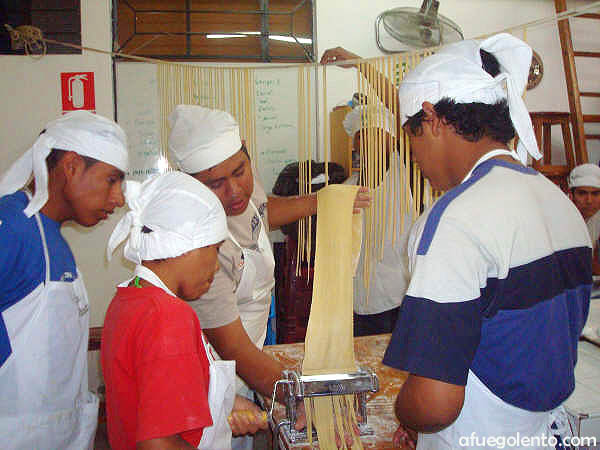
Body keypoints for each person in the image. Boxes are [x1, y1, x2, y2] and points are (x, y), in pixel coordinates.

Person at [328, 34, 591, 449]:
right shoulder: (560, 205)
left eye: (410, 139)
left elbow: (435, 405)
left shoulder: (455, 219)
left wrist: (405, 414)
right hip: (546, 432)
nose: (413, 157)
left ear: (431, 118)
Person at [168, 105, 369, 449]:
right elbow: (234, 350)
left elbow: (260, 211)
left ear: (245, 151)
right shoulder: (199, 255)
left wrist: (320, 201)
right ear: (190, 185)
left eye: (240, 171)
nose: (235, 191)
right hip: (215, 380)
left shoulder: (240, 190)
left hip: (252, 360)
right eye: (215, 184)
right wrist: (300, 396)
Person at [102, 171, 267, 450]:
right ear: (182, 246)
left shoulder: (127, 299)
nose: (216, 266)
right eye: (214, 249)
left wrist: (225, 407)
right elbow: (160, 444)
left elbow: (159, 393)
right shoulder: (168, 318)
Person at [0, 110, 129, 449]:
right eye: (111, 180)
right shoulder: (13, 227)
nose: (118, 199)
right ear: (71, 166)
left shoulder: (51, 238)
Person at [342, 104, 413, 336]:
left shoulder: (408, 179)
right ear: (355, 145)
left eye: (377, 135)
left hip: (399, 300)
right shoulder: (346, 190)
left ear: (392, 141)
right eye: (363, 138)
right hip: (357, 300)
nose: (370, 144)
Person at [568, 163, 600, 275]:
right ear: (571, 195)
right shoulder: (561, 219)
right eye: (582, 193)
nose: (589, 200)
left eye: (595, 194)